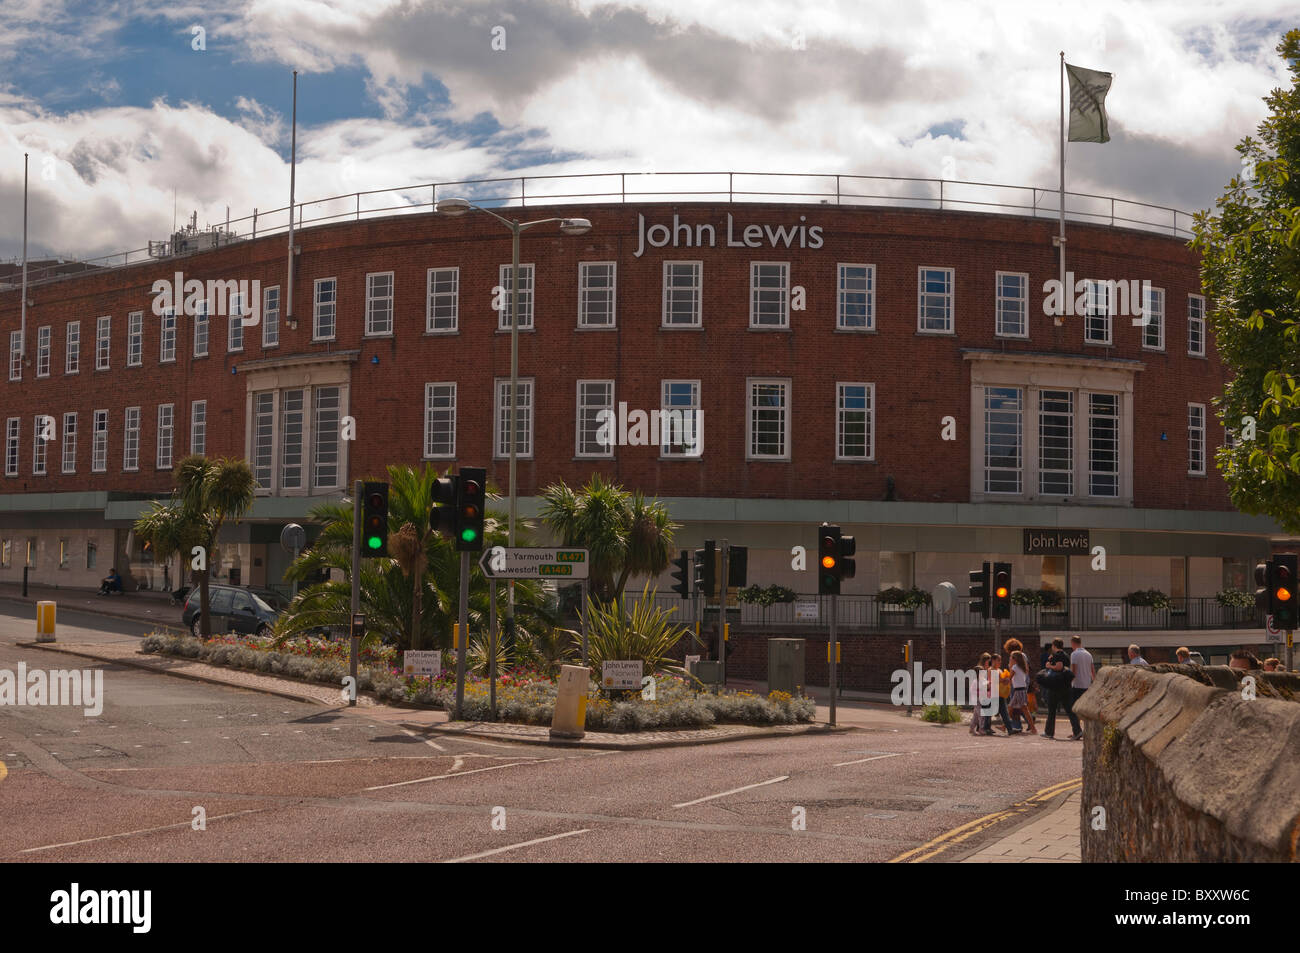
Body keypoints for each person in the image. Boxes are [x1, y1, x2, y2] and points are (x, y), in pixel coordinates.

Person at [1043, 637, 1081, 740]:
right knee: (1069, 710)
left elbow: (1059, 667)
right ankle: (1077, 731)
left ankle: (1049, 732)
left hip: (1056, 686)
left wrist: (1049, 666)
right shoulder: (1066, 655)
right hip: (1066, 686)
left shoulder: (1058, 655)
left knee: (1052, 710)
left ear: (1054, 646)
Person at [1008, 650, 1037, 734]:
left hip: (1018, 691)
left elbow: (1009, 678)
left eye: (1011, 657)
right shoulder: (1022, 667)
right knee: (1011, 708)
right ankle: (1004, 726)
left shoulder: (1014, 667)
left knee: (1024, 710)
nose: (1010, 659)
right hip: (1022, 690)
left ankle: (1033, 728)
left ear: (1014, 659)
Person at [993, 653, 1017, 734]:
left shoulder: (999, 670)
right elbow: (993, 681)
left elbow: (1001, 680)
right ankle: (983, 727)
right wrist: (1003, 680)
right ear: (993, 661)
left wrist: (1006, 680)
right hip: (994, 694)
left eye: (1000, 660)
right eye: (998, 660)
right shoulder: (991, 670)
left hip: (1000, 694)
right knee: (988, 713)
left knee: (1004, 712)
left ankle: (1010, 729)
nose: (1000, 662)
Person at [1069, 635, 1094, 714]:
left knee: (1075, 709)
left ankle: (1077, 726)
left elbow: (1074, 671)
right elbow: (1093, 671)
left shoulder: (1074, 654)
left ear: (1073, 643)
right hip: (1087, 685)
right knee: (1085, 709)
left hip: (1077, 685)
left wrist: (1069, 683)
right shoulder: (1089, 654)